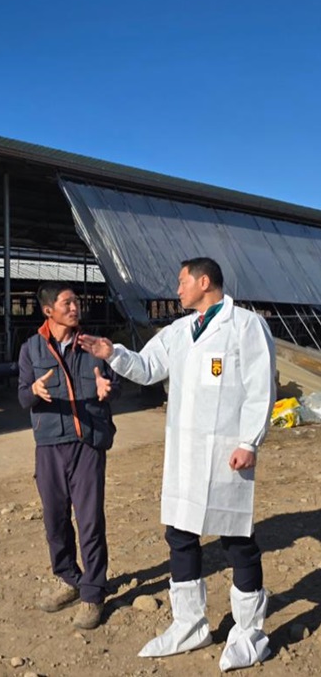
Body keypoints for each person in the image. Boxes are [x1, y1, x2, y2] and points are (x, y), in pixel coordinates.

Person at [78, 257, 275, 671]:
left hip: (227, 453)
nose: (177, 289)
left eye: (182, 282)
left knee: (236, 536)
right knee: (180, 534)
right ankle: (189, 623)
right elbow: (149, 368)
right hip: (185, 453)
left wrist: (249, 441)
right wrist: (112, 352)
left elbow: (261, 387)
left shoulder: (245, 326)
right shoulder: (179, 331)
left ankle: (249, 631)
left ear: (205, 282)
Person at [18, 281, 121, 630]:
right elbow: (22, 398)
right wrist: (33, 390)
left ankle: (93, 593)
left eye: (76, 302)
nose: (75, 307)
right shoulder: (31, 350)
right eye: (67, 303)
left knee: (90, 520)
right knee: (55, 520)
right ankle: (68, 578)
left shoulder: (93, 347)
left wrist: (108, 389)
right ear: (49, 310)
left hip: (87, 442)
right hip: (49, 445)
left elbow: (110, 382)